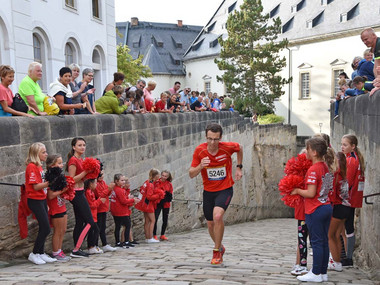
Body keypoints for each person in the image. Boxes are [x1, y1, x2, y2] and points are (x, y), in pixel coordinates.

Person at [189, 123, 243, 265]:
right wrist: (201, 165)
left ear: (220, 138)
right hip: (208, 191)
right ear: (206, 137)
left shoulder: (227, 147)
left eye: (216, 139)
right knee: (210, 224)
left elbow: (240, 148)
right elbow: (191, 174)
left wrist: (238, 167)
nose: (212, 142)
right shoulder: (199, 151)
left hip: (225, 188)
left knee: (218, 216)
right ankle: (220, 246)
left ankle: (216, 251)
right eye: (210, 139)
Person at [291, 137, 334, 282]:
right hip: (326, 206)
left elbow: (310, 193)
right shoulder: (325, 166)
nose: (306, 152)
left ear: (314, 152)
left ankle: (315, 272)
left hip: (315, 208)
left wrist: (297, 190)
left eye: (308, 149)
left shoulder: (313, 169)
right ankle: (322, 272)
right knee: (323, 241)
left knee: (316, 242)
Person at [25, 142, 57, 264]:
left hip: (41, 199)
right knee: (45, 227)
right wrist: (52, 182)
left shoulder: (38, 166)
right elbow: (36, 187)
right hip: (35, 200)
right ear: (36, 154)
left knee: (46, 226)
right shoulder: (32, 167)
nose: (46, 154)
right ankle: (34, 253)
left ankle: (40, 252)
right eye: (43, 152)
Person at [66, 137, 94, 258]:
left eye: (84, 145)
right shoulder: (73, 160)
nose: (82, 147)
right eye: (79, 145)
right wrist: (85, 172)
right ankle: (76, 249)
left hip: (81, 191)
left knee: (80, 222)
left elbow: (83, 178)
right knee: (90, 222)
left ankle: (77, 249)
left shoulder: (81, 159)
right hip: (76, 193)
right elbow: (71, 180)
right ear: (74, 147)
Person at [340, 134, 365, 267]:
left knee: (346, 227)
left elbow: (347, 182)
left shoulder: (351, 160)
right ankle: (346, 257)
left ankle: (347, 258)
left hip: (348, 198)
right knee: (348, 226)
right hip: (353, 197)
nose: (342, 147)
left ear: (353, 146)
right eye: (342, 144)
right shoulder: (354, 158)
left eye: (345, 145)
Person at [46, 154, 71, 262]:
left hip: (61, 205)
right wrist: (63, 191)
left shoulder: (58, 176)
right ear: (52, 165)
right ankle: (55, 252)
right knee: (58, 230)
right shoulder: (51, 177)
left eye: (62, 162)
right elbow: (50, 195)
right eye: (59, 163)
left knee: (63, 230)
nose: (62, 165)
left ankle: (60, 250)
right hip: (55, 207)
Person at [327, 152, 349, 272]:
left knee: (329, 235)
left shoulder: (336, 175)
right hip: (346, 206)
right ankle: (338, 261)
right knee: (337, 235)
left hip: (337, 206)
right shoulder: (344, 175)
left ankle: (335, 261)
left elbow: (332, 193)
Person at [110, 174, 138, 248]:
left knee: (118, 226)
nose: (123, 182)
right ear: (116, 181)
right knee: (127, 225)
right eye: (122, 180)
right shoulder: (119, 190)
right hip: (121, 211)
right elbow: (123, 201)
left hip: (116, 210)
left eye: (124, 180)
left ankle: (118, 242)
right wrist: (132, 200)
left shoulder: (115, 189)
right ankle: (126, 241)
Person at [135, 169, 162, 243]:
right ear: (155, 176)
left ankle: (147, 238)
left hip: (144, 204)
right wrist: (158, 195)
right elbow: (149, 196)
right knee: (152, 220)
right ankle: (150, 237)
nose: (159, 177)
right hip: (148, 204)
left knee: (147, 221)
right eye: (158, 175)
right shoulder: (150, 184)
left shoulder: (146, 182)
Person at [94, 170, 117, 252]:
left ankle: (104, 244)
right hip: (99, 208)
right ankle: (95, 245)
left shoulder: (103, 182)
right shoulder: (95, 184)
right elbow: (100, 195)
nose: (101, 176)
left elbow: (107, 194)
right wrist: (109, 188)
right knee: (98, 227)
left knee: (103, 227)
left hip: (104, 207)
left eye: (102, 174)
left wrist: (110, 189)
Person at [84, 178, 105, 254]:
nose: (96, 185)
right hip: (91, 215)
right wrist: (99, 201)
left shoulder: (91, 192)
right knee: (95, 230)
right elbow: (92, 205)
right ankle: (91, 246)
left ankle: (92, 246)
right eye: (95, 183)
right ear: (91, 184)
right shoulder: (88, 192)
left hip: (93, 215)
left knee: (93, 231)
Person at [153, 170, 173, 241]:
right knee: (155, 218)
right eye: (163, 175)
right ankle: (154, 235)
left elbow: (170, 193)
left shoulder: (169, 184)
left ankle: (162, 235)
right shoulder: (156, 182)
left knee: (165, 219)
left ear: (168, 177)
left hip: (166, 204)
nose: (164, 177)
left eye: (165, 176)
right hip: (158, 203)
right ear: (161, 175)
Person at [360, 28, 380, 95]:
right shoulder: (376, 47)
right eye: (363, 41)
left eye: (366, 39)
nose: (365, 42)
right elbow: (376, 67)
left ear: (373, 35)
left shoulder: (379, 44)